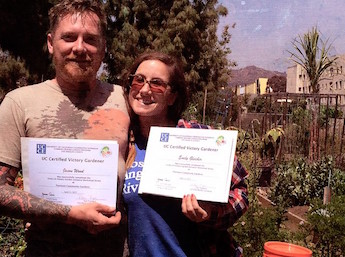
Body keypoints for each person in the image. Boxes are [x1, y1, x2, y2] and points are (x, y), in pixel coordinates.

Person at [0, 0, 130, 256]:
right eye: (69, 37)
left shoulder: (125, 99)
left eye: (91, 39)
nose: (80, 48)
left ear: (103, 48)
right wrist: (69, 214)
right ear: (51, 43)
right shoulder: (19, 102)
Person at [122, 51, 249, 257]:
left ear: (172, 96)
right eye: (138, 80)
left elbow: (240, 192)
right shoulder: (123, 143)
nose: (145, 90)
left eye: (157, 84)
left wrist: (210, 213)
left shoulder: (199, 138)